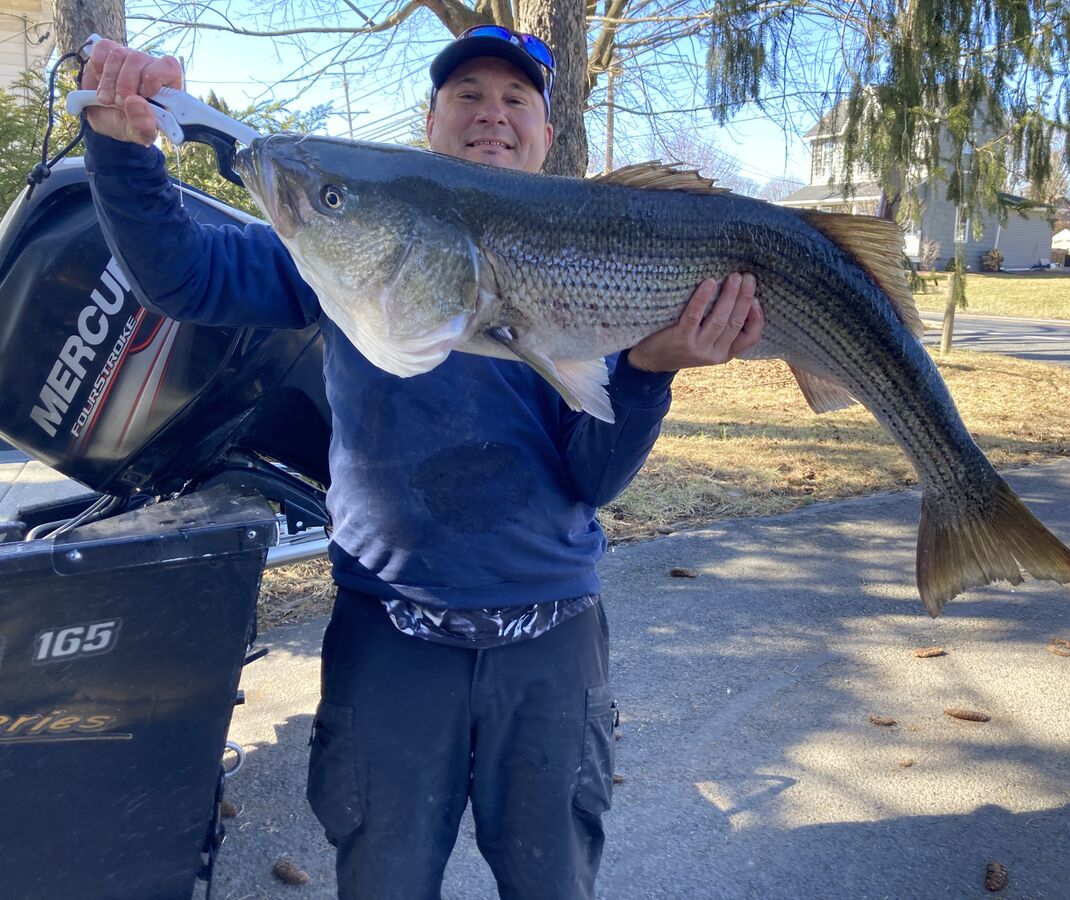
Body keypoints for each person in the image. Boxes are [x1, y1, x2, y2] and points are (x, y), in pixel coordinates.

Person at [82, 27, 762, 899]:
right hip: (389, 632)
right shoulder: (352, 240)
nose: (492, 114)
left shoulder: (603, 263)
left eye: (517, 100)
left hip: (550, 640)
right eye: (467, 95)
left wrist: (650, 373)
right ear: (431, 121)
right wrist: (121, 149)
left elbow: (593, 482)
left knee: (552, 883)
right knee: (385, 880)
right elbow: (186, 279)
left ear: (547, 134)